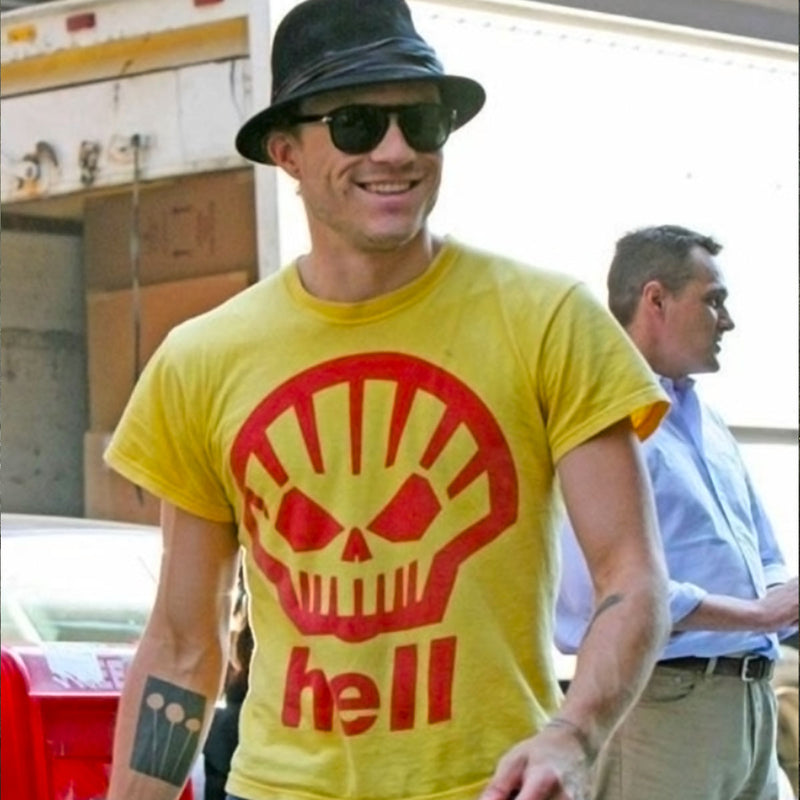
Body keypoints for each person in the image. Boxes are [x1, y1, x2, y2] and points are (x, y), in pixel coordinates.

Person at [105, 1, 672, 798]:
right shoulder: (201, 360)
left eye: (422, 122)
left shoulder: (547, 319)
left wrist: (574, 734)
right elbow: (180, 643)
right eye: (357, 124)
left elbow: (630, 574)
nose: (397, 150)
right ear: (287, 153)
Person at [555, 224, 800, 800]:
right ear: (656, 300)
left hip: (748, 703)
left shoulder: (704, 419)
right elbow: (603, 594)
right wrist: (759, 615)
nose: (727, 320)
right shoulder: (596, 418)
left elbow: (763, 555)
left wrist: (776, 604)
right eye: (714, 300)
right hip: (662, 708)